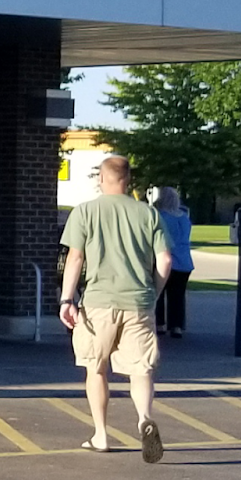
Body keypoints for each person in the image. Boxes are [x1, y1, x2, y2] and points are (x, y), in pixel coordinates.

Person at [59, 155, 171, 463]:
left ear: (101, 179)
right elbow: (165, 260)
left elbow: (75, 258)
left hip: (98, 302)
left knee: (95, 368)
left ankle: (101, 435)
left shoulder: (85, 212)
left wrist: (67, 299)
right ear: (128, 180)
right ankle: (144, 418)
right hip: (138, 302)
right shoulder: (148, 214)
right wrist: (153, 293)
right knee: (141, 369)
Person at [152, 186, 194, 338]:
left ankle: (160, 324)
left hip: (165, 258)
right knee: (178, 295)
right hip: (184, 261)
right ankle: (176, 326)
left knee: (159, 292)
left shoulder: (160, 216)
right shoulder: (184, 218)